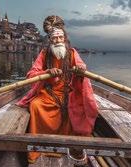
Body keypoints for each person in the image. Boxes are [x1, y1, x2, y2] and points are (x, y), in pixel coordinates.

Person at [17, 15, 98, 163]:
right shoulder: (44, 54)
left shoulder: (72, 53)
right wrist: (46, 73)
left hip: (69, 93)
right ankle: (40, 147)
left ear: (65, 38)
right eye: (54, 38)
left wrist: (81, 70)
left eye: (60, 38)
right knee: (35, 106)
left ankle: (68, 145)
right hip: (48, 93)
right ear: (50, 39)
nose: (58, 41)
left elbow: (82, 68)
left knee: (75, 108)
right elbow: (31, 75)